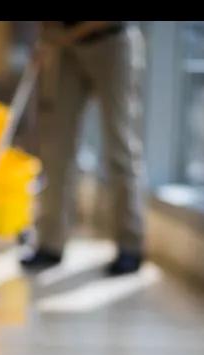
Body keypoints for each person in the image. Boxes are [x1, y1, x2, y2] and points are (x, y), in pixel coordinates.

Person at [21, 21, 146, 276]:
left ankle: (130, 246)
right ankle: (50, 244)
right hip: (66, 49)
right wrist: (45, 38)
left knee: (120, 148)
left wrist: (64, 36)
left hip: (112, 40)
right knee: (56, 149)